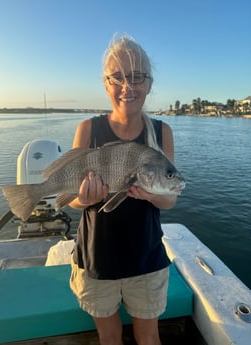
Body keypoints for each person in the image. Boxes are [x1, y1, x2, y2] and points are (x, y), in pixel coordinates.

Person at [69, 34, 178, 345]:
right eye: (118, 77)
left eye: (137, 77)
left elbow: (168, 200)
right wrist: (84, 198)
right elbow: (74, 200)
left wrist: (152, 194)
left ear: (148, 84)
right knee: (109, 336)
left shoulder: (161, 132)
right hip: (96, 258)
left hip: (146, 257)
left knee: (148, 335)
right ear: (106, 84)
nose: (128, 86)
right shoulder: (87, 129)